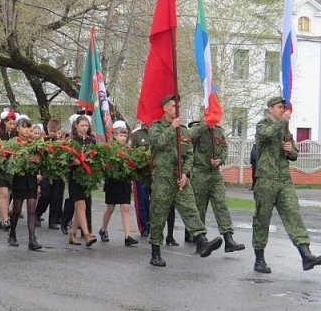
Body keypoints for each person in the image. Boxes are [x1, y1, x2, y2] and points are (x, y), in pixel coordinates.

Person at [252, 96, 321, 273]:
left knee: (293, 213)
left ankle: (306, 255)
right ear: (270, 109)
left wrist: (290, 149)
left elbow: (294, 153)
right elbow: (266, 135)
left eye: (283, 108)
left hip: (284, 180)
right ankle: (259, 259)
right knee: (262, 219)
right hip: (266, 180)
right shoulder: (262, 125)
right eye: (279, 107)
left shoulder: (285, 128)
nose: (283, 110)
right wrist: (283, 122)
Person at [148, 95, 223, 267]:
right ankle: (155, 252)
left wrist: (186, 174)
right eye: (174, 106)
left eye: (179, 106)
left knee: (191, 209)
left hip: (180, 178)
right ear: (165, 108)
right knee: (158, 216)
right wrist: (171, 129)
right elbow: (157, 143)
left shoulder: (183, 130)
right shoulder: (156, 126)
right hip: (162, 178)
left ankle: (202, 241)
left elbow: (189, 154)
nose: (177, 109)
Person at [189, 120, 245, 253]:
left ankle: (229, 239)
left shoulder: (219, 131)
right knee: (199, 208)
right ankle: (199, 240)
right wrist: (205, 125)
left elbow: (224, 148)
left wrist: (220, 160)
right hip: (199, 173)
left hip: (215, 175)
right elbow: (189, 137)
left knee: (221, 205)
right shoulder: (198, 128)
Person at [99, 121, 138, 246]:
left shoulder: (128, 150)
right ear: (114, 136)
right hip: (113, 182)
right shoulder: (109, 148)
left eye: (125, 136)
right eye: (121, 135)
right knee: (110, 207)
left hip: (124, 182)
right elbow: (104, 165)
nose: (123, 138)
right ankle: (103, 229)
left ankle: (127, 236)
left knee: (125, 207)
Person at [8, 118, 42, 250]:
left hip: (32, 179)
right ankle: (12, 233)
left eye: (28, 127)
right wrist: (25, 159)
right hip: (19, 179)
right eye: (23, 127)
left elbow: (41, 160)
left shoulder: (34, 143)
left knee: (32, 209)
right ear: (17, 129)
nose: (26, 130)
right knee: (17, 209)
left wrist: (38, 162)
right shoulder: (14, 142)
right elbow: (10, 160)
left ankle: (32, 239)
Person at [67, 114, 96, 247]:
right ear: (76, 126)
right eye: (82, 125)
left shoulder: (91, 141)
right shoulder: (72, 141)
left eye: (86, 125)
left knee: (80, 207)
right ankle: (87, 234)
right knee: (81, 205)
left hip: (87, 176)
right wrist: (73, 161)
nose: (84, 128)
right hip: (75, 177)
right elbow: (65, 158)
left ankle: (72, 234)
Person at [35, 118, 65, 230]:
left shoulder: (62, 142)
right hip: (46, 172)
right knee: (46, 195)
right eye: (51, 131)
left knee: (56, 197)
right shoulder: (43, 141)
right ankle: (37, 214)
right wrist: (38, 172)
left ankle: (53, 221)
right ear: (47, 129)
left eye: (55, 131)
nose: (53, 133)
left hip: (58, 172)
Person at [0, 110, 18, 230]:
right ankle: (5, 220)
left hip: (11, 168)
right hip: (0, 168)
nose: (12, 126)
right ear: (5, 123)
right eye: (10, 123)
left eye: (14, 124)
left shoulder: (16, 136)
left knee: (8, 193)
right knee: (3, 193)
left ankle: (2, 218)